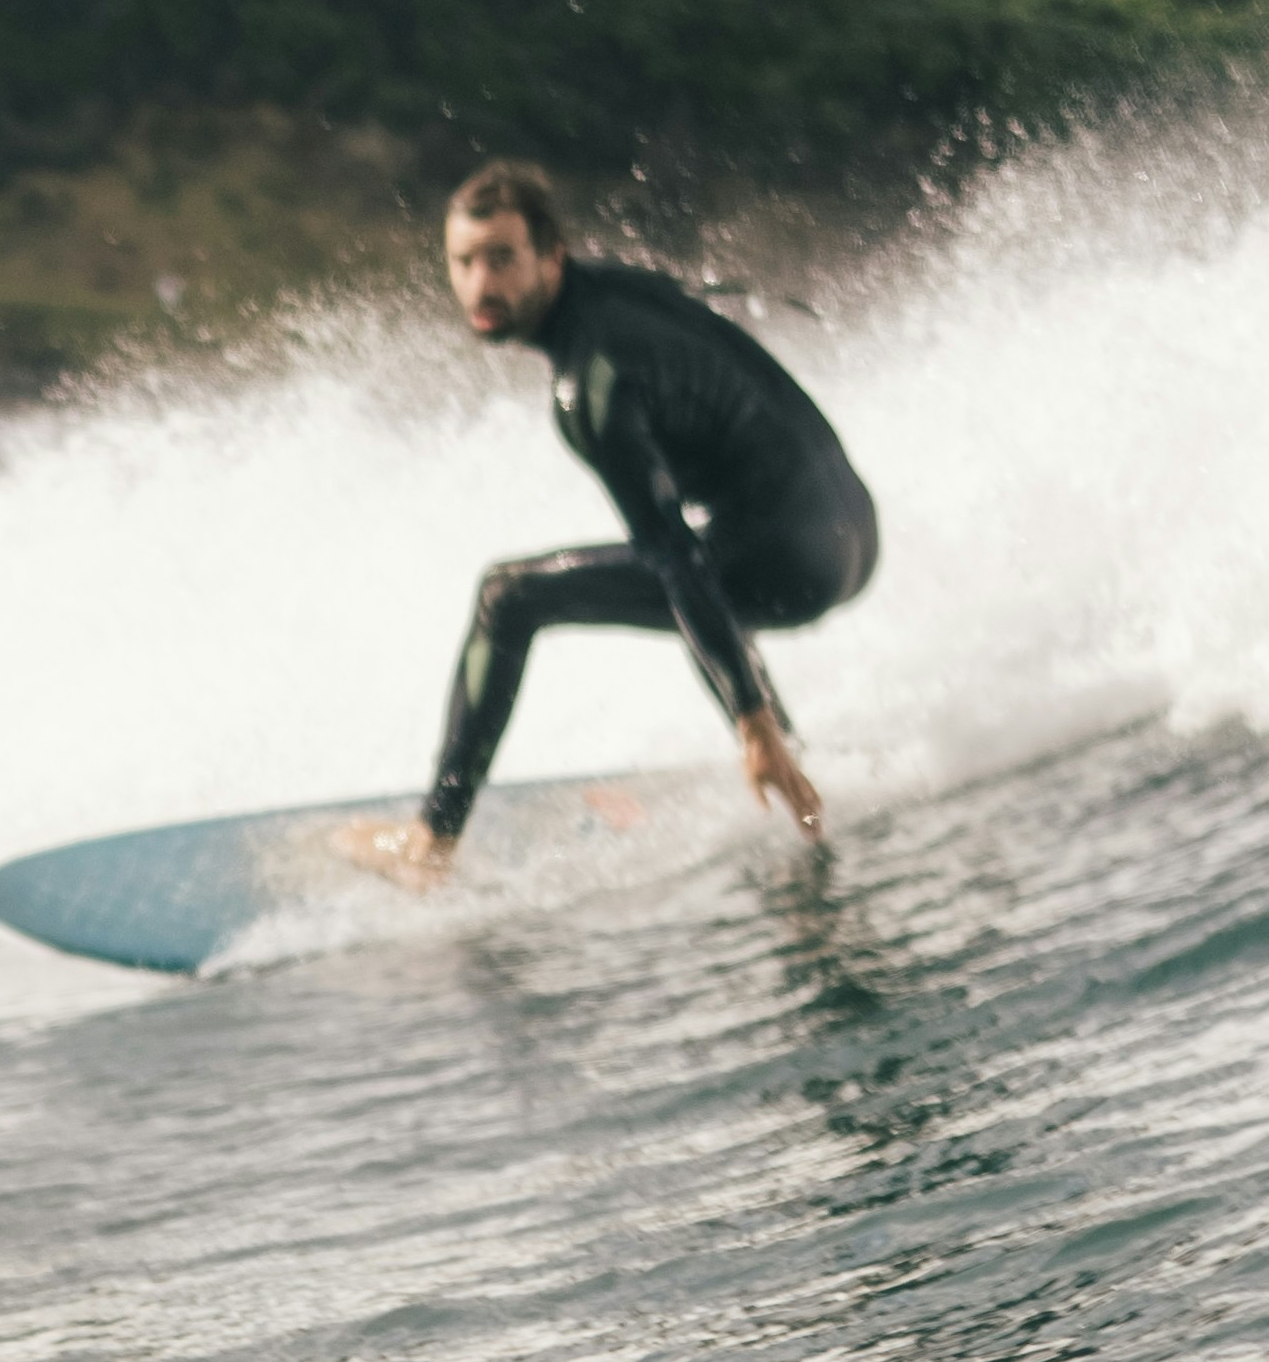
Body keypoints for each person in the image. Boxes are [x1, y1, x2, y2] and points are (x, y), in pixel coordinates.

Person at [344, 161, 877, 878]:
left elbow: (674, 558)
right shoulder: (616, 295)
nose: (480, 285)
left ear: (550, 257)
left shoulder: (590, 386)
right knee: (697, 568)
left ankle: (430, 842)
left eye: (502, 260)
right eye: (464, 262)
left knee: (509, 597)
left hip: (796, 563)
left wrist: (749, 721)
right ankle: (789, 762)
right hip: (852, 529)